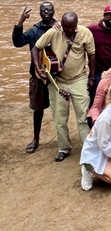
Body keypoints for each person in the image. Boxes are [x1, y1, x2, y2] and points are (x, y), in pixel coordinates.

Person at [32, 12, 96, 162]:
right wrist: (37, 67)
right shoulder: (54, 31)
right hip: (58, 81)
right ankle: (63, 148)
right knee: (60, 118)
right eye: (66, 27)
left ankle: (88, 148)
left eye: (72, 27)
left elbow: (92, 55)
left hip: (79, 78)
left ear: (77, 25)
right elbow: (36, 48)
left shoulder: (85, 33)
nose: (68, 30)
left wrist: (91, 77)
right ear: (61, 24)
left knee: (83, 116)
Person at [11, 2, 57, 153]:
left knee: (60, 109)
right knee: (38, 109)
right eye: (43, 10)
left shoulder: (59, 27)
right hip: (38, 75)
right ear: (39, 12)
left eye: (48, 9)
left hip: (57, 74)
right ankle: (36, 138)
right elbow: (18, 43)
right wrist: (20, 22)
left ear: (53, 11)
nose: (46, 12)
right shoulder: (34, 30)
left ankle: (63, 138)